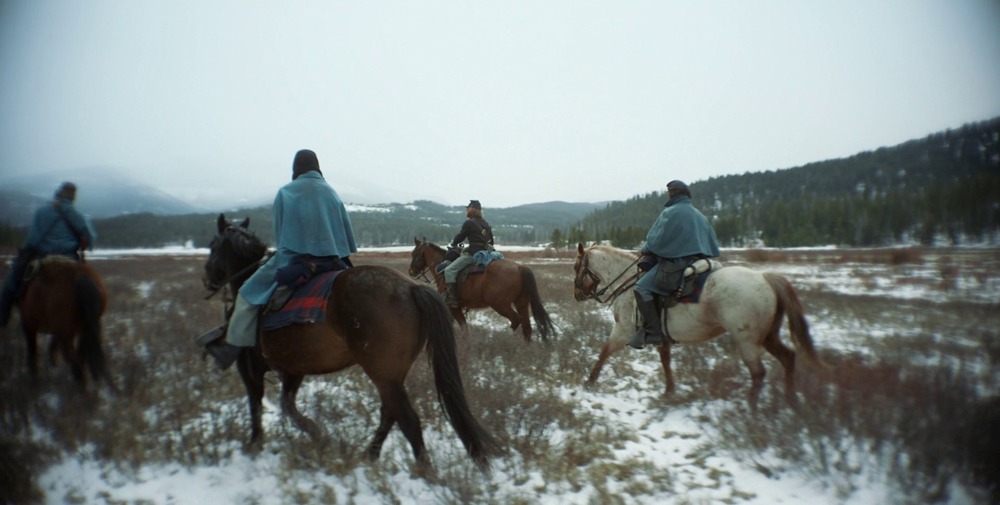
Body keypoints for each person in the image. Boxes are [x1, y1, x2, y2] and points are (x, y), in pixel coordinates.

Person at [197, 149, 358, 370]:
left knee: (246, 295)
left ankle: (230, 349)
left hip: (298, 260)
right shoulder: (331, 193)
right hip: (333, 262)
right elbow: (345, 236)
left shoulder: (287, 193)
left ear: (296, 169)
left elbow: (283, 238)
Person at [630, 180, 720, 349]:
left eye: (669, 192)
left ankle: (654, 332)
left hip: (677, 263)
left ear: (673, 193)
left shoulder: (670, 212)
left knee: (641, 288)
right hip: (700, 262)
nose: (667, 195)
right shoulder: (699, 214)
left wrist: (645, 249)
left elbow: (655, 240)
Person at [0, 182, 97, 327]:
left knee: (11, 281)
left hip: (43, 259)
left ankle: (3, 318)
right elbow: (90, 241)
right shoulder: (78, 215)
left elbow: (32, 241)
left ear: (58, 193)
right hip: (70, 259)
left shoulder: (41, 212)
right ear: (73, 197)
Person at [443, 200, 494, 308]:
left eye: (468, 208)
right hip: (486, 253)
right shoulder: (486, 224)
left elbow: (461, 236)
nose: (466, 210)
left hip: (473, 254)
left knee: (449, 270)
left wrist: (453, 243)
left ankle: (452, 299)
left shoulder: (469, 223)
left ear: (472, 210)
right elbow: (491, 242)